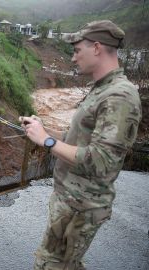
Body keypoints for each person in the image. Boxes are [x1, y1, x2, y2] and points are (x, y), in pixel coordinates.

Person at [20, 20, 142, 270]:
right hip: (70, 200)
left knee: (50, 265)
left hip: (81, 206)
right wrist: (42, 130)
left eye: (77, 51)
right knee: (64, 264)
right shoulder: (103, 89)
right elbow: (78, 137)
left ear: (97, 48)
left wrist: (48, 141)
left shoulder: (120, 96)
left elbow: (102, 160)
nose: (73, 58)